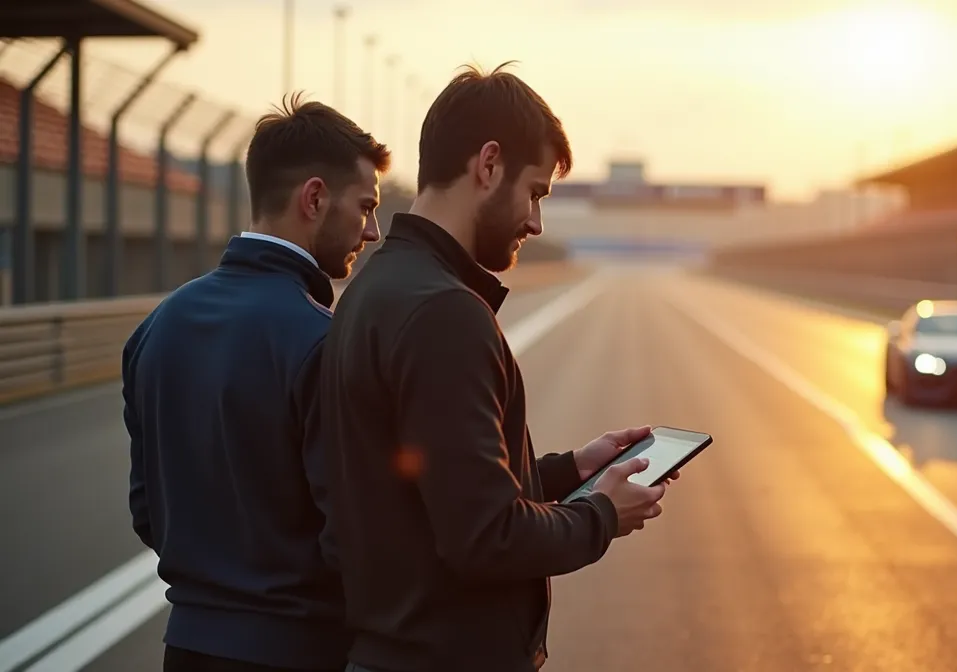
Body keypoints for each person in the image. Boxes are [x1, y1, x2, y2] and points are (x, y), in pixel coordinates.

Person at [319, 62, 671, 672]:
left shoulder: (375, 289)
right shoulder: (444, 313)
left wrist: (567, 473)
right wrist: (601, 515)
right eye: (535, 193)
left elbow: (428, 490)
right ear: (488, 165)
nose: (536, 222)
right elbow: (485, 538)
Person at [121, 93, 390, 672]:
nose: (371, 231)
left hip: (186, 646)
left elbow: (147, 509)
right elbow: (351, 533)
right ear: (314, 198)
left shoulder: (155, 328)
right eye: (365, 207)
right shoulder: (323, 340)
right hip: (299, 650)